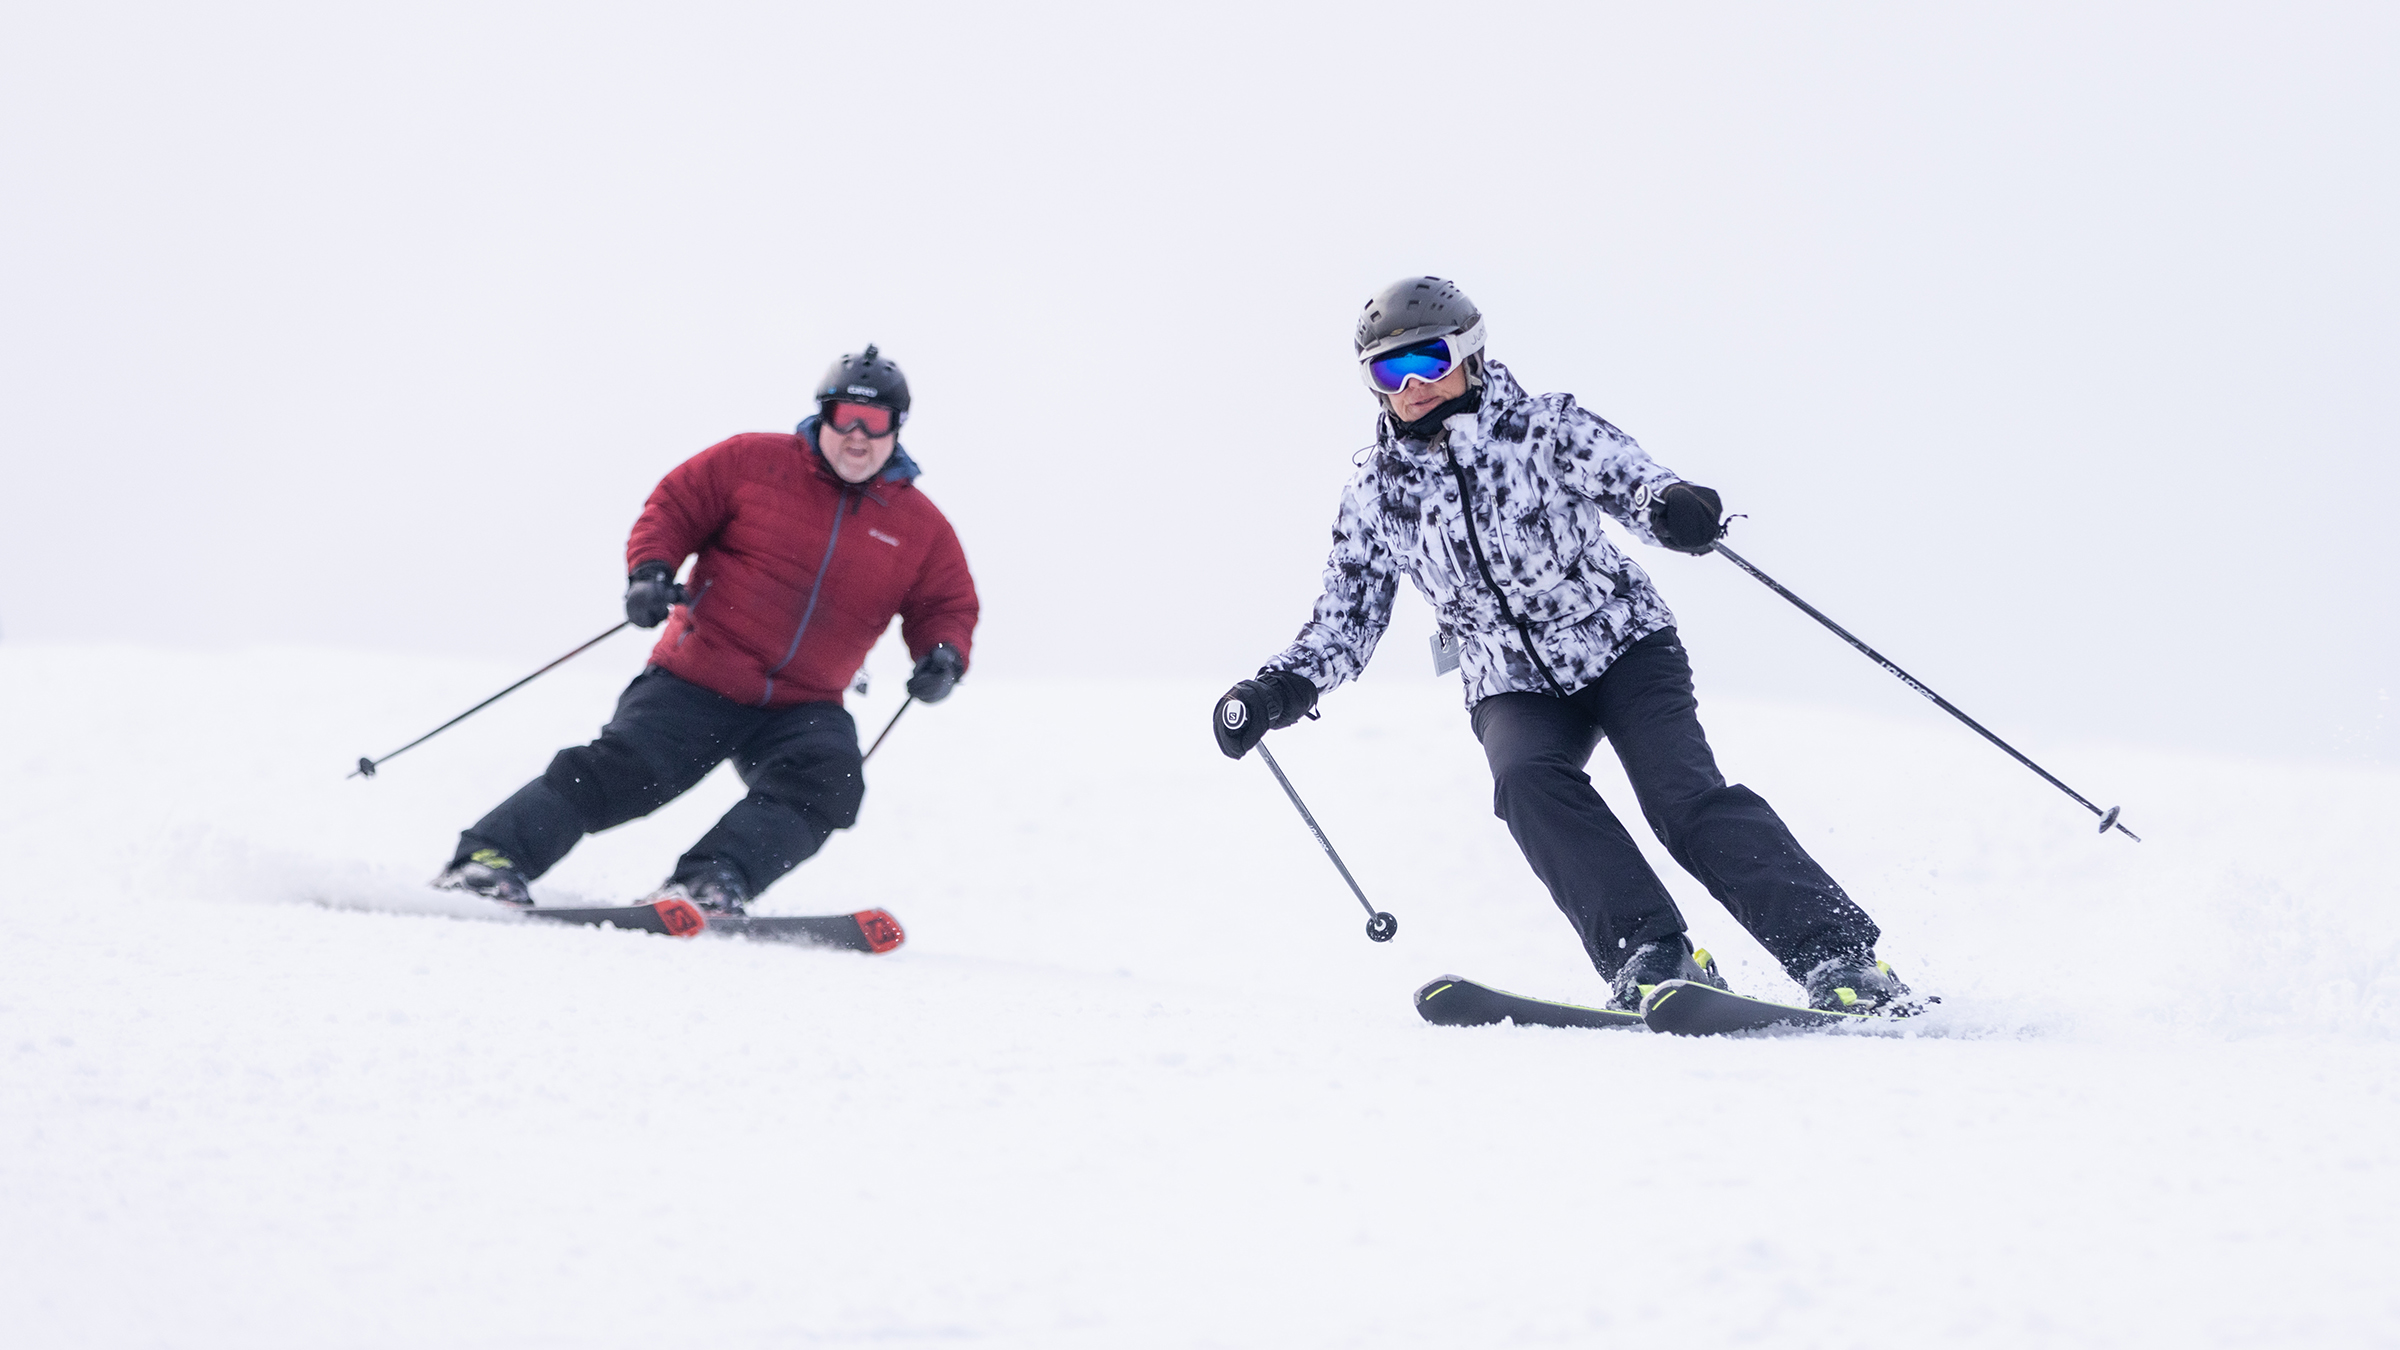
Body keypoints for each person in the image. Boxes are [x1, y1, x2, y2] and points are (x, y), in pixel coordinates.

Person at [1213, 278, 1909, 1014]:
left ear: (1471, 354)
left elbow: (1629, 478)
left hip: (1621, 645)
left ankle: (1838, 959)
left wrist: (1672, 509)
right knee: (1525, 782)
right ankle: (1651, 952)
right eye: (1388, 372)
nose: (1412, 385)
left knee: (1681, 797)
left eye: (1428, 360)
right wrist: (1277, 690)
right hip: (1509, 679)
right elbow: (1346, 615)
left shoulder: (1544, 429)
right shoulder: (1378, 493)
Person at [436, 345, 979, 913]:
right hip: (700, 674)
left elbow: (947, 604)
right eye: (846, 417)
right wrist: (650, 573)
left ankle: (713, 881)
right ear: (824, 416)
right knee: (624, 772)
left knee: (827, 782)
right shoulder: (752, 462)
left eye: (876, 421)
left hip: (804, 701)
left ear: (898, 427)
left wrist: (943, 656)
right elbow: (674, 507)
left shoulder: (921, 527)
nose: (859, 436)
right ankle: (489, 859)